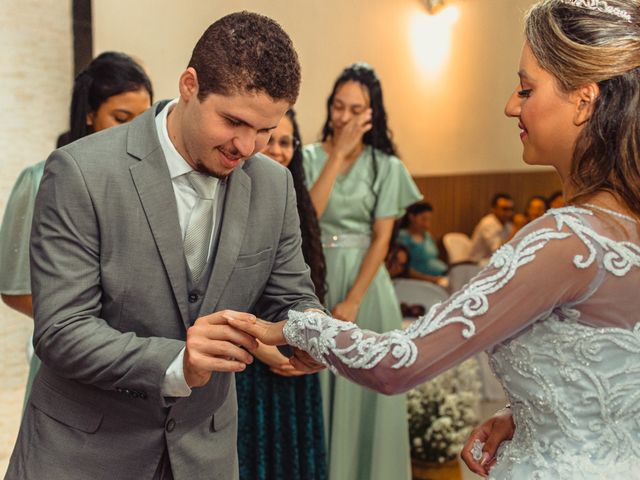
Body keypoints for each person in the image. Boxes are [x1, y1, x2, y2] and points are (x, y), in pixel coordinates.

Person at [229, 1, 640, 478]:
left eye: (526, 89)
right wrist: (546, 419)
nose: (511, 105)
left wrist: (300, 327)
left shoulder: (566, 240)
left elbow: (398, 363)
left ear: (585, 100)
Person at [6, 12, 325, 480]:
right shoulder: (80, 172)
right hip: (83, 455)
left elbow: (292, 294)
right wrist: (176, 361)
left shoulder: (273, 185)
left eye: (265, 130)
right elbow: (61, 330)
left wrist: (310, 327)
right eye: (233, 121)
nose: (248, 146)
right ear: (190, 85)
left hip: (204, 455)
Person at [0, 51, 153, 405]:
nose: (134, 132)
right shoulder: (40, 179)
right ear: (89, 115)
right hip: (69, 362)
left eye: (143, 120)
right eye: (121, 118)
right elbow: (14, 287)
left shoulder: (151, 187)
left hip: (135, 364)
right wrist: (85, 325)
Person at [302, 62, 422, 480]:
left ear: (372, 115)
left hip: (367, 288)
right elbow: (307, 221)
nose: (345, 117)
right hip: (316, 276)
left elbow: (382, 239)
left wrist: (353, 299)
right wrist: (336, 154)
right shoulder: (308, 157)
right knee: (317, 384)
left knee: (368, 387)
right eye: (338, 106)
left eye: (356, 109)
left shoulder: (385, 166)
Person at [235, 109, 327, 480]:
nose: (277, 150)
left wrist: (310, 336)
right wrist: (267, 352)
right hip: (250, 356)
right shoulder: (240, 197)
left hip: (295, 355)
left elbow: (303, 285)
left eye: (286, 141)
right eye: (269, 139)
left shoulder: (296, 201)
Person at [396, 201, 448, 285]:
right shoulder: (402, 237)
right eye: (424, 219)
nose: (427, 225)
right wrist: (431, 279)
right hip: (422, 283)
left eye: (429, 220)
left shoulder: (427, 235)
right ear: (412, 217)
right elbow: (403, 268)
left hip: (441, 275)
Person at [469, 193, 514, 264]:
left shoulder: (508, 224)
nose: (509, 213)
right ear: (494, 209)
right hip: (479, 263)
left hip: (494, 262)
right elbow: (498, 252)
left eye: (511, 209)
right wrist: (516, 229)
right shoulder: (488, 223)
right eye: (505, 209)